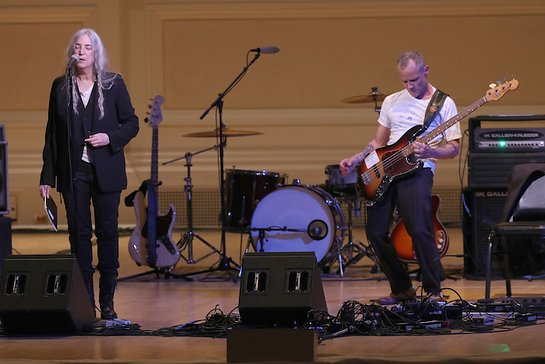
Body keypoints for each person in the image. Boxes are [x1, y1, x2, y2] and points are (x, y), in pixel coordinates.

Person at [339, 51, 461, 304]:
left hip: (418, 169)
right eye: (405, 81)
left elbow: (454, 147)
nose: (410, 86)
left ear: (426, 70)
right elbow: (379, 142)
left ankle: (433, 291)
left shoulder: (443, 103)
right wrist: (356, 159)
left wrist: (432, 151)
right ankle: (402, 288)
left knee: (419, 226)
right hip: (385, 169)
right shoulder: (392, 101)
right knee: (375, 232)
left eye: (414, 79)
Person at [39, 28, 139, 319]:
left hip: (106, 169)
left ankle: (107, 302)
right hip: (73, 171)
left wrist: (110, 138)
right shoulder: (60, 86)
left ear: (97, 54)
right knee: (78, 235)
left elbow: (131, 123)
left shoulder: (113, 84)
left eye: (88, 48)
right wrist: (47, 176)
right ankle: (86, 303)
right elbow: (52, 135)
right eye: (78, 47)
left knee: (107, 234)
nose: (81, 52)